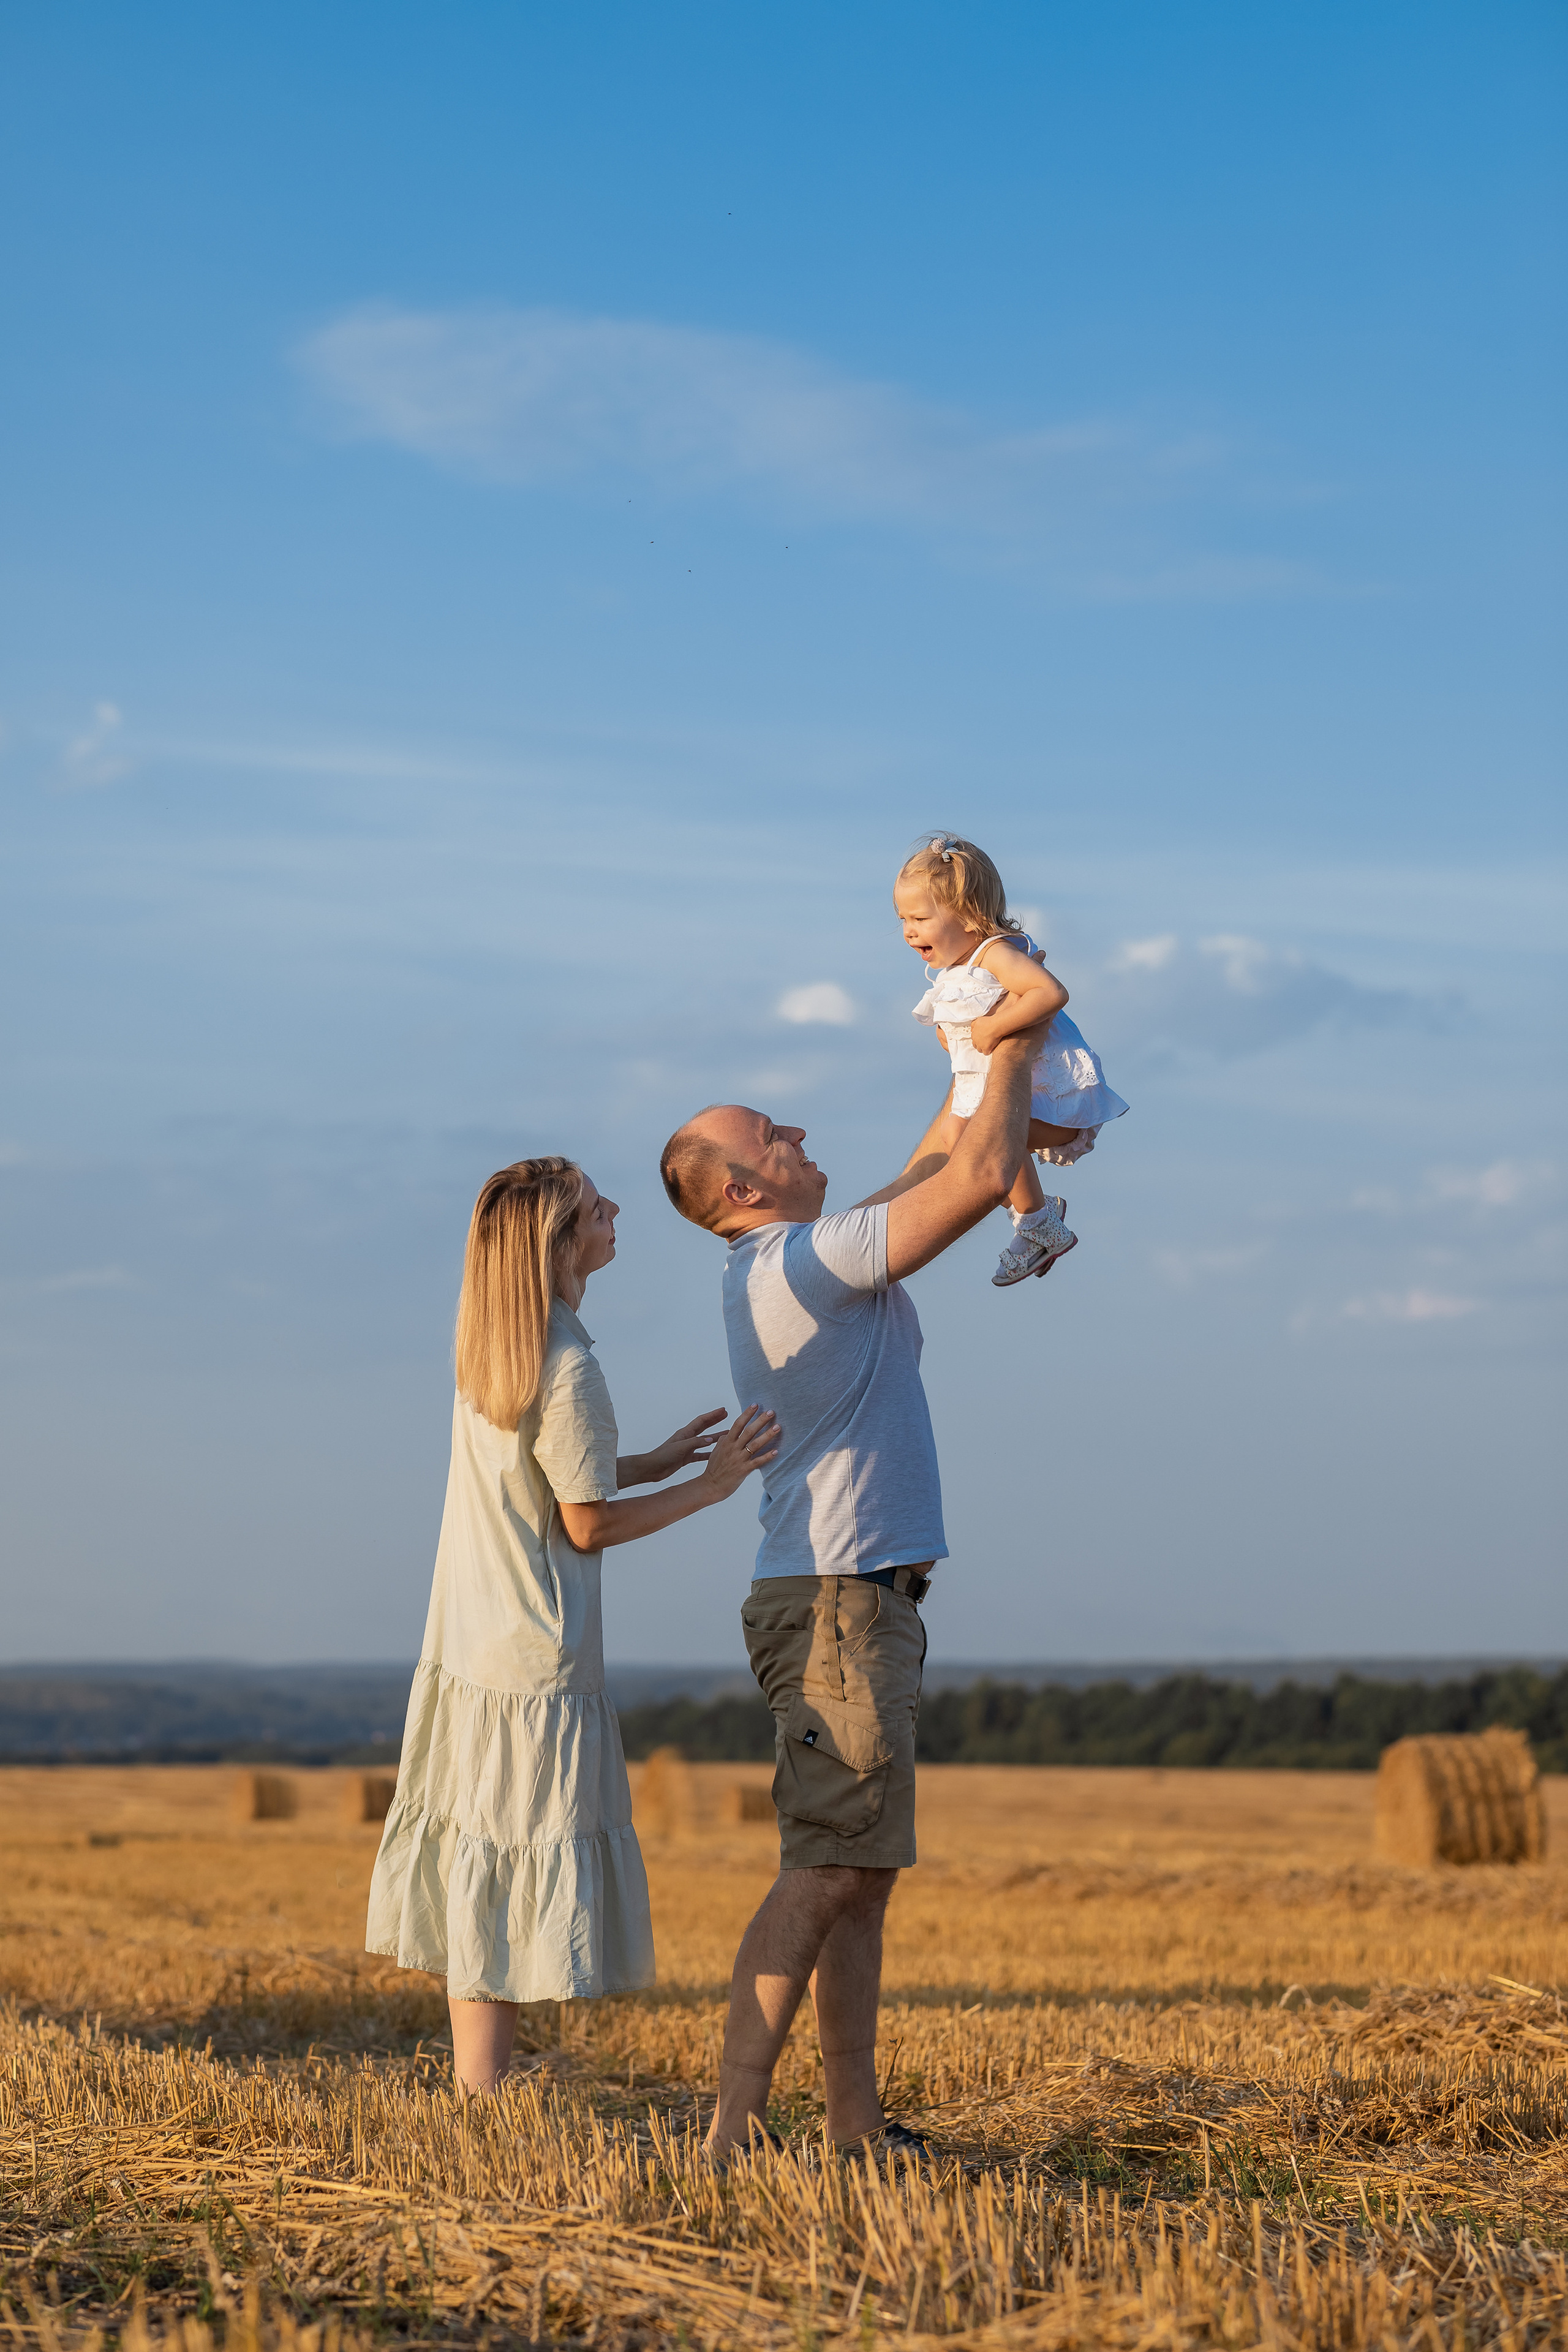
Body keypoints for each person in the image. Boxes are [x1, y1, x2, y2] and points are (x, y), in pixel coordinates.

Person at [658, 1024, 1047, 2163]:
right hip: (838, 1602)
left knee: (860, 1877)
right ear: (741, 1186)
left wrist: (972, 1059)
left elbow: (933, 1168)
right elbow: (978, 1176)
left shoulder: (802, 1255)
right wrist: (1020, 1039)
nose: (801, 1133)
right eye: (776, 1134)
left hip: (855, 1597)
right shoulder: (792, 1265)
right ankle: (731, 2133)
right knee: (828, 1865)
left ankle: (854, 2129)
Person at [365, 1155, 778, 2095]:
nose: (618, 1211)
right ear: (561, 1243)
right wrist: (708, 1486)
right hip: (535, 1658)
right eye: (598, 1208)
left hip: (473, 1646)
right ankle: (485, 2081)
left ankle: (481, 2080)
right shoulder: (569, 1362)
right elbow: (584, 1524)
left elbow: (544, 1483)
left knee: (483, 1857)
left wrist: (648, 1460)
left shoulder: (496, 1351)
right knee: (511, 1861)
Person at [895, 833, 1129, 1287]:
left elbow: (1051, 992)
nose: (909, 930)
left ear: (967, 917)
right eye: (903, 918)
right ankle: (1037, 1218)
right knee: (960, 1137)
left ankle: (1039, 1221)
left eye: (920, 918)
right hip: (1005, 1094)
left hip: (1051, 1094)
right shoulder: (955, 972)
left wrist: (996, 1027)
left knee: (980, 1139)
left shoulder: (996, 953)